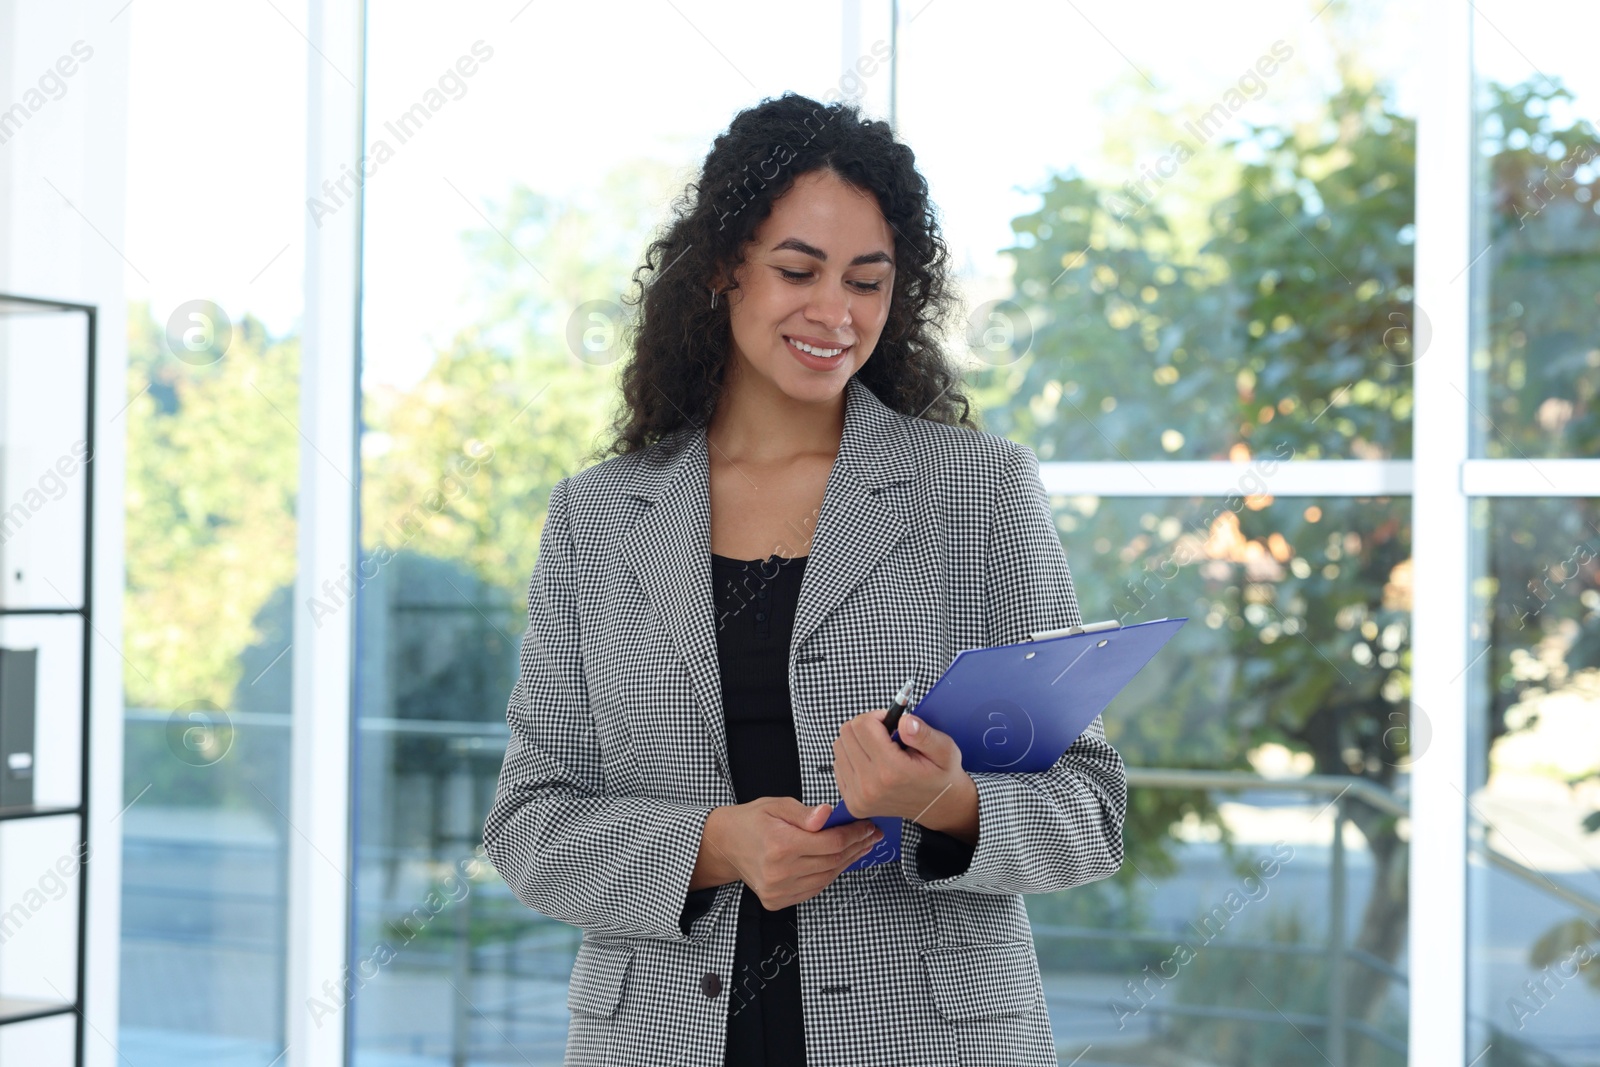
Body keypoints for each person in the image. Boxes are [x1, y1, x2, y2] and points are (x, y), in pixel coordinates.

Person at [483, 91, 1127, 1067]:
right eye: (798, 269)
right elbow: (532, 824)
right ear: (721, 269)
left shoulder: (978, 492)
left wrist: (947, 799)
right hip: (659, 1035)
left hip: (924, 1037)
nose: (834, 311)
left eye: (867, 282)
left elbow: (1088, 810)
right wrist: (717, 843)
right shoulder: (599, 515)